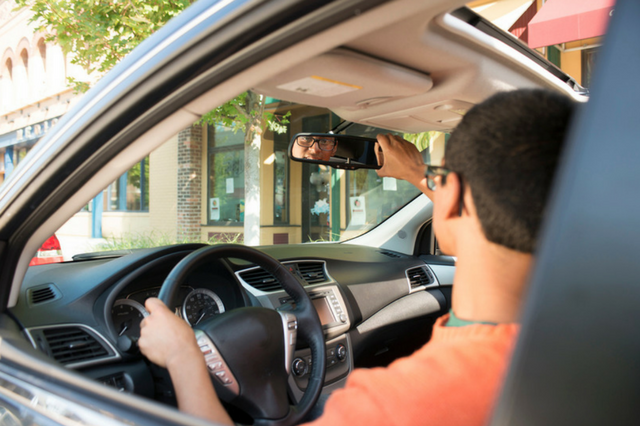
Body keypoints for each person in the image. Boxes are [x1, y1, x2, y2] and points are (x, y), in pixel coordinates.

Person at [138, 88, 575, 426]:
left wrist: (183, 357)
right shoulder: (598, 336)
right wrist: (422, 174)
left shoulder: (403, 404)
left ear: (454, 194)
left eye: (442, 182)